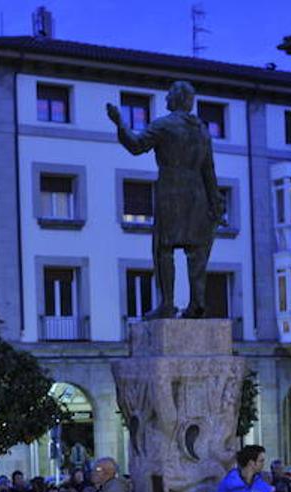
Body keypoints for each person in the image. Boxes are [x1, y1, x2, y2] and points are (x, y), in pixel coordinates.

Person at [105, 80, 221, 319]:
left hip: (171, 192)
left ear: (176, 99)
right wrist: (216, 203)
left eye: (169, 95)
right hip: (198, 195)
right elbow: (209, 171)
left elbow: (136, 146)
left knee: (163, 249)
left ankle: (167, 304)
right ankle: (197, 302)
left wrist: (119, 123)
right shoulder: (202, 130)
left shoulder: (164, 125)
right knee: (196, 251)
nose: (166, 99)